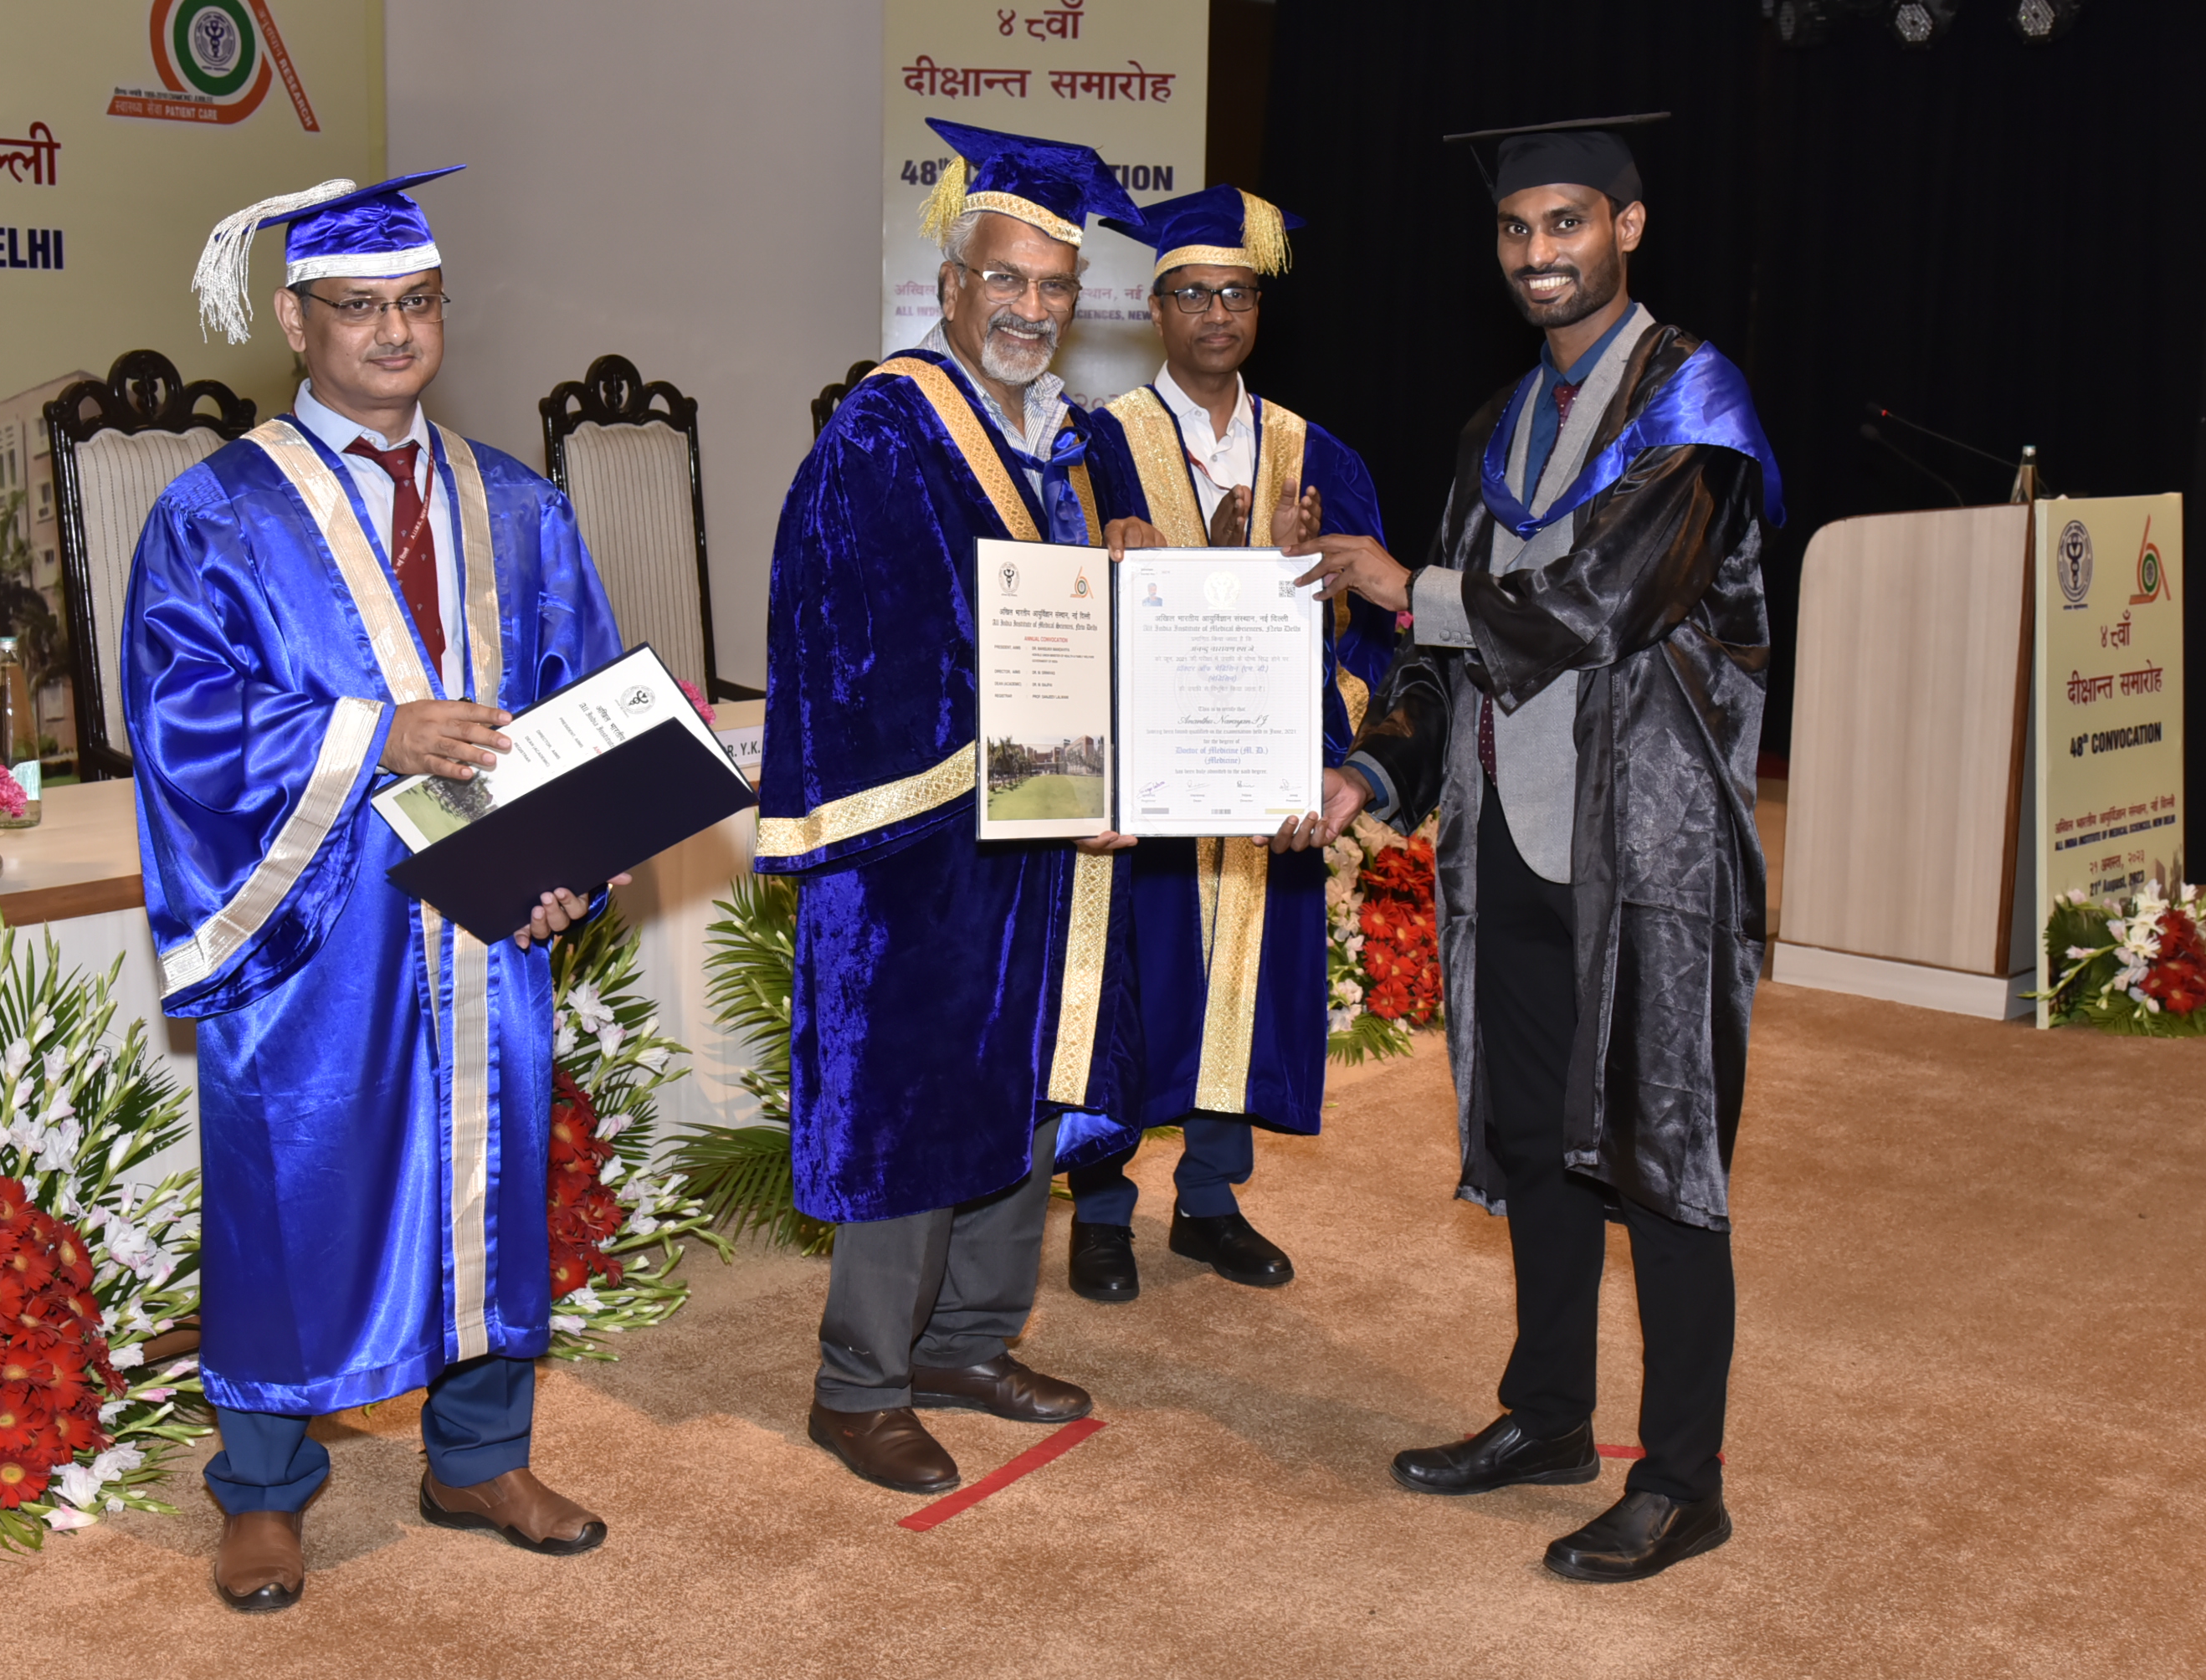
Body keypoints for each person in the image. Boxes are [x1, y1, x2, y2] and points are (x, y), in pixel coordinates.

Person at [1289, 115, 1783, 1582]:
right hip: (1507, 840)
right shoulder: (1495, 430)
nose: (1537, 253)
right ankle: (1550, 1416)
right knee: (1534, 1141)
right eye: (1516, 229)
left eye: (1566, 222)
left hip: (1651, 853)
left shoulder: (1696, 402)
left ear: (1627, 227)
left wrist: (1406, 585)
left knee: (1664, 1155)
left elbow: (1604, 601)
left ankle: (1683, 1481)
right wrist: (1370, 766)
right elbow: (1445, 660)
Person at [125, 169, 625, 1611]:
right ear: (295, 321)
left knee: (493, 1177)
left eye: (417, 302)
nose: (394, 332)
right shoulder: (218, 512)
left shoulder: (518, 503)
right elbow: (181, 717)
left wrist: (569, 869)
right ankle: (263, 1488)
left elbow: (585, 702)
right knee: (293, 1185)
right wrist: (372, 735)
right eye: (358, 307)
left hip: (486, 922)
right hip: (317, 918)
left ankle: (478, 1457)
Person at [757, 119, 1147, 1496]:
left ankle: (970, 1344)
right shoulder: (886, 430)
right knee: (915, 1093)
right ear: (951, 286)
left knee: (1021, 1080)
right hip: (916, 837)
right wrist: (1056, 769)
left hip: (1040, 822)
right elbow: (869, 646)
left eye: (1055, 287)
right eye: (1006, 281)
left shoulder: (1070, 441)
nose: (1031, 309)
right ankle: (860, 1382)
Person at [1070, 185, 1393, 1302]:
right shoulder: (1091, 447)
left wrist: (1323, 614)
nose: (1217, 314)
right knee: (1126, 981)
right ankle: (1101, 1210)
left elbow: (1377, 630)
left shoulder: (1321, 456)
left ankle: (1209, 1200)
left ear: (1259, 308)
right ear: (1156, 308)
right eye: (1193, 294)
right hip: (1142, 786)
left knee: (1243, 983)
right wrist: (1102, 554)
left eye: (1237, 294)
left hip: (1258, 783)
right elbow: (1046, 613)